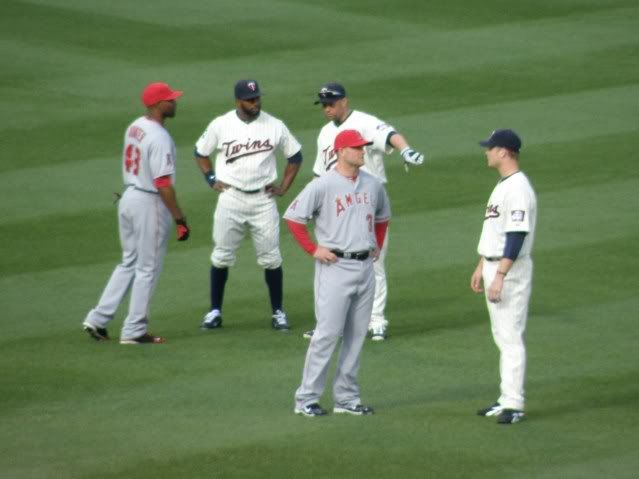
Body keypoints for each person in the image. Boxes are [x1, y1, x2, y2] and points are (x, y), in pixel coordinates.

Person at [304, 82, 424, 341]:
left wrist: (405, 149)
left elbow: (390, 134)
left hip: (368, 204)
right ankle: (327, 324)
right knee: (329, 265)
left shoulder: (364, 122)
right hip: (335, 206)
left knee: (373, 261)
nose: (327, 108)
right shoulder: (325, 133)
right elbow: (319, 171)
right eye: (323, 104)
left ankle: (376, 320)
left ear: (344, 101)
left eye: (331, 103)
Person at [285, 129, 391, 417]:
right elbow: (293, 217)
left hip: (364, 268)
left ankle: (346, 399)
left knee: (356, 336)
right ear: (341, 151)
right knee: (327, 335)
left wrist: (377, 246)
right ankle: (306, 399)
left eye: (363, 147)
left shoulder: (373, 184)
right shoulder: (323, 185)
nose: (362, 152)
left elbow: (383, 218)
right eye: (357, 148)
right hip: (334, 267)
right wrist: (312, 249)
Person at [82, 82, 190, 345]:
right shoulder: (160, 138)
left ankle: (97, 319)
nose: (174, 102)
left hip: (128, 197)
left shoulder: (135, 126)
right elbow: (163, 184)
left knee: (129, 261)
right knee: (148, 267)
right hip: (148, 202)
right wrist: (179, 219)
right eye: (169, 100)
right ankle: (134, 329)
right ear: (156, 104)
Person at [194, 80, 303, 331]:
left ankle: (278, 312)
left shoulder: (275, 125)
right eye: (250, 99)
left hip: (263, 200)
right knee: (221, 256)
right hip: (230, 198)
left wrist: (284, 187)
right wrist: (211, 178)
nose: (256, 103)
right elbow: (200, 152)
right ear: (238, 101)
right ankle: (214, 311)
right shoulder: (220, 125)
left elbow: (295, 156)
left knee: (271, 258)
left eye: (257, 98)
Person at [470, 129, 537, 424]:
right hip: (494, 264)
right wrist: (481, 264)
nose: (486, 152)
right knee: (502, 335)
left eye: (490, 148)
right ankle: (505, 398)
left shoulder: (518, 188)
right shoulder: (504, 185)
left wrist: (499, 275)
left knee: (510, 336)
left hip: (509, 270)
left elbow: (517, 235)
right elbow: (496, 231)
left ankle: (514, 403)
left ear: (504, 152)